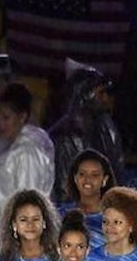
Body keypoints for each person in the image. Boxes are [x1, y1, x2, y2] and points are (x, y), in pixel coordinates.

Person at [0, 83, 55, 229]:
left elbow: (28, 206)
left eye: (6, 118)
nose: (0, 124)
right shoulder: (15, 150)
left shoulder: (26, 154)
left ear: (22, 117)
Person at [49, 65, 123, 200]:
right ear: (84, 95)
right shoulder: (65, 135)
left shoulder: (106, 128)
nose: (106, 99)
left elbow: (116, 171)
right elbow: (64, 189)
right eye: (101, 93)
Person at [57, 149, 115, 249]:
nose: (88, 179)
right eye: (82, 174)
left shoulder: (117, 217)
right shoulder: (60, 215)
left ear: (104, 179)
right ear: (75, 178)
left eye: (95, 175)